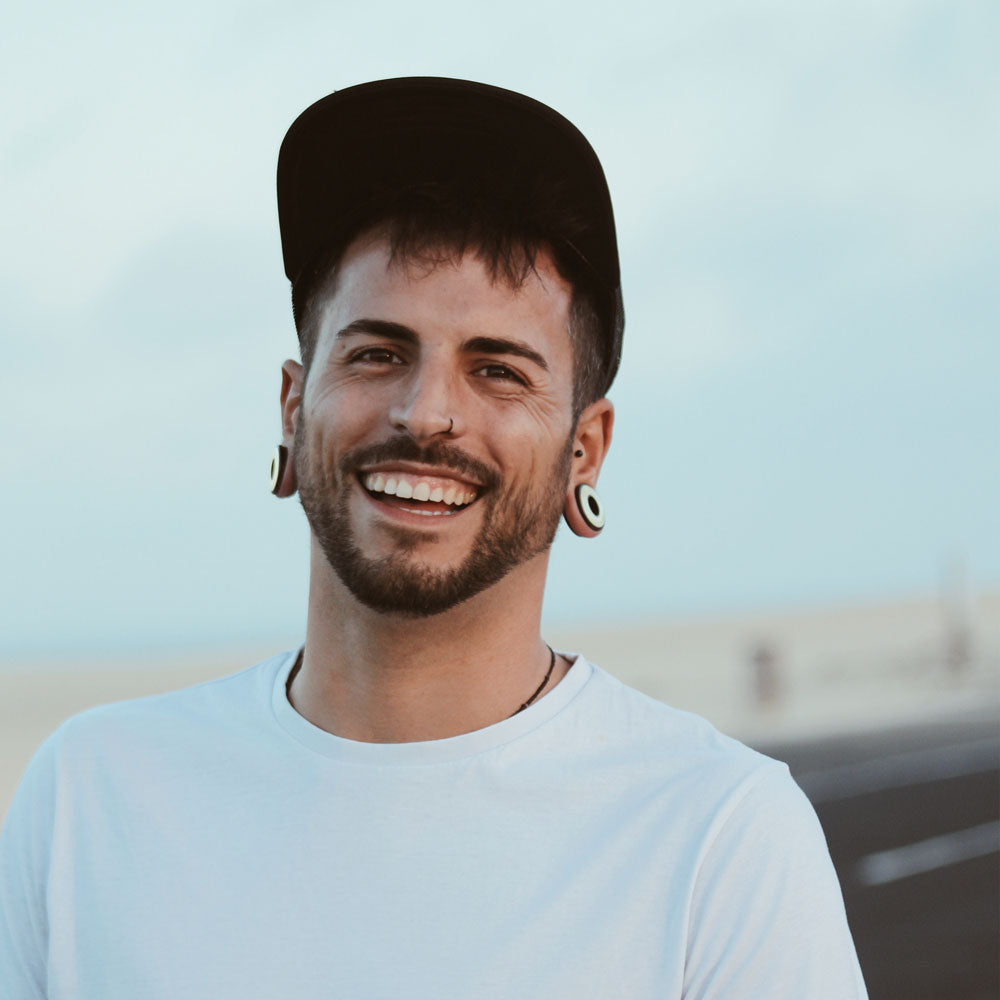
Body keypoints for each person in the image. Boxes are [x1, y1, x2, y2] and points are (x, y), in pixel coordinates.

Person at [0, 78, 867, 999]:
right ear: (294, 408)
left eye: (497, 371)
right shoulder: (92, 798)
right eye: (376, 353)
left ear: (586, 448)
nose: (427, 414)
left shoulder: (718, 839)